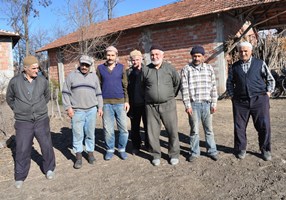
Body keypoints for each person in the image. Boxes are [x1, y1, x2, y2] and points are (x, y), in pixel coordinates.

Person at [6, 55, 56, 189]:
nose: (37, 70)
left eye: (37, 67)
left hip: (41, 119)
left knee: (46, 144)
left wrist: (38, 107)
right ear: (25, 69)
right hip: (23, 122)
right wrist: (18, 109)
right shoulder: (15, 82)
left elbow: (46, 96)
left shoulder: (42, 80)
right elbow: (9, 98)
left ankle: (49, 168)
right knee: (22, 148)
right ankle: (20, 175)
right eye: (34, 68)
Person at [226, 41, 275, 161]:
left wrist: (267, 94)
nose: (243, 53)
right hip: (240, 102)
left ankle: (265, 150)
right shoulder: (234, 66)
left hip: (259, 99)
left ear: (251, 51)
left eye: (245, 51)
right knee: (239, 127)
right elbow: (229, 83)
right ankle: (241, 149)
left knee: (264, 126)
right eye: (241, 51)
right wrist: (232, 96)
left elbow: (270, 79)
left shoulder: (260, 63)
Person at [142, 44, 181, 166]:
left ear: (162, 55)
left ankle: (173, 154)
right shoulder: (146, 69)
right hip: (151, 106)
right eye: (152, 55)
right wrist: (150, 96)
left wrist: (168, 96)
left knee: (172, 130)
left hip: (168, 105)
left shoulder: (169, 68)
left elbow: (177, 83)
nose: (154, 57)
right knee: (152, 132)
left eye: (157, 54)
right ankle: (155, 155)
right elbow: (142, 86)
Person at [62, 55, 103, 169]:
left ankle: (90, 153)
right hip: (77, 110)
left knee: (90, 133)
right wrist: (68, 108)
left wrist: (100, 107)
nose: (84, 67)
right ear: (79, 64)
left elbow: (99, 93)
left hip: (91, 110)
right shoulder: (71, 76)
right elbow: (65, 92)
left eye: (87, 65)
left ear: (90, 66)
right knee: (78, 134)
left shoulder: (94, 77)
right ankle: (78, 156)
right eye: (82, 64)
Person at [180, 46, 219, 162]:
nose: (196, 58)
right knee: (194, 130)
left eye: (199, 56)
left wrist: (214, 103)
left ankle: (212, 151)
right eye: (194, 56)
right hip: (194, 105)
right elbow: (184, 89)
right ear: (191, 56)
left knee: (209, 130)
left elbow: (213, 87)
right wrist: (187, 105)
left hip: (207, 104)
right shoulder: (186, 69)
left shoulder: (209, 68)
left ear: (203, 56)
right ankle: (194, 152)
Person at [96, 46, 130, 160]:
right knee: (108, 130)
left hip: (120, 103)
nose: (110, 57)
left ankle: (121, 149)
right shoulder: (100, 68)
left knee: (123, 129)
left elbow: (125, 85)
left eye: (112, 55)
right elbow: (98, 87)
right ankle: (110, 149)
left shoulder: (121, 68)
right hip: (106, 104)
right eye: (108, 55)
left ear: (116, 56)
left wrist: (126, 101)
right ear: (105, 55)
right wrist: (99, 105)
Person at [126, 49, 149, 155]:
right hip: (133, 104)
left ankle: (148, 145)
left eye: (137, 59)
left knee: (148, 125)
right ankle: (136, 145)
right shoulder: (129, 72)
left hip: (146, 103)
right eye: (133, 60)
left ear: (141, 59)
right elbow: (125, 88)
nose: (135, 62)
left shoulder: (147, 70)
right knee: (134, 127)